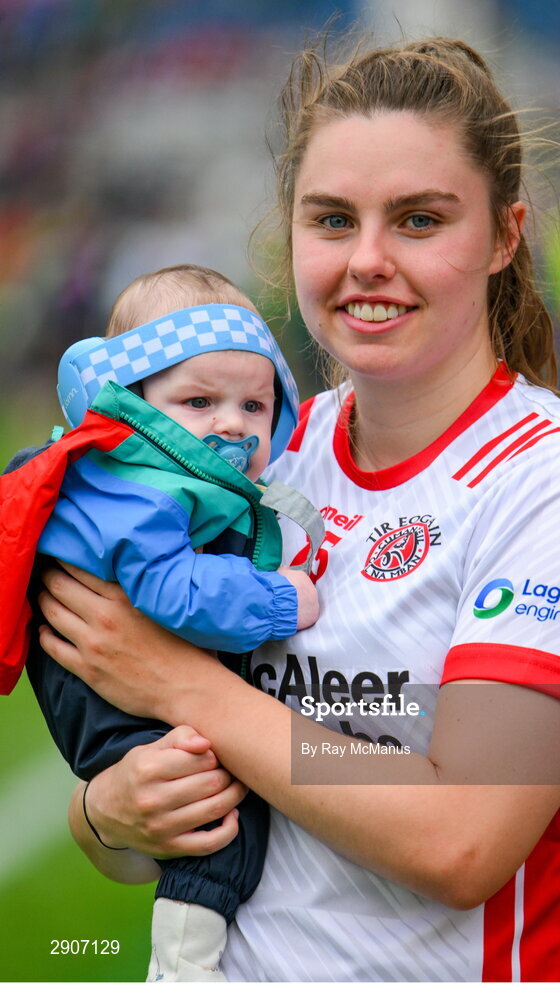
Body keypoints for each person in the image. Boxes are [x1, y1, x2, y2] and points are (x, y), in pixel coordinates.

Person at [36, 37, 560, 983]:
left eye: (419, 220)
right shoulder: (256, 464)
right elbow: (147, 835)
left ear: (505, 236)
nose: (368, 260)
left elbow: (460, 839)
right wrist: (111, 814)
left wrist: (183, 686)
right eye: (332, 220)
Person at [0, 264, 320, 982]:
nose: (232, 423)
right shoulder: (137, 489)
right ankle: (182, 967)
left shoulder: (160, 474)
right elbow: (173, 590)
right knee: (219, 824)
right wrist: (278, 600)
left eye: (254, 405)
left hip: (120, 678)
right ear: (136, 403)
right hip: (101, 691)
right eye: (199, 400)